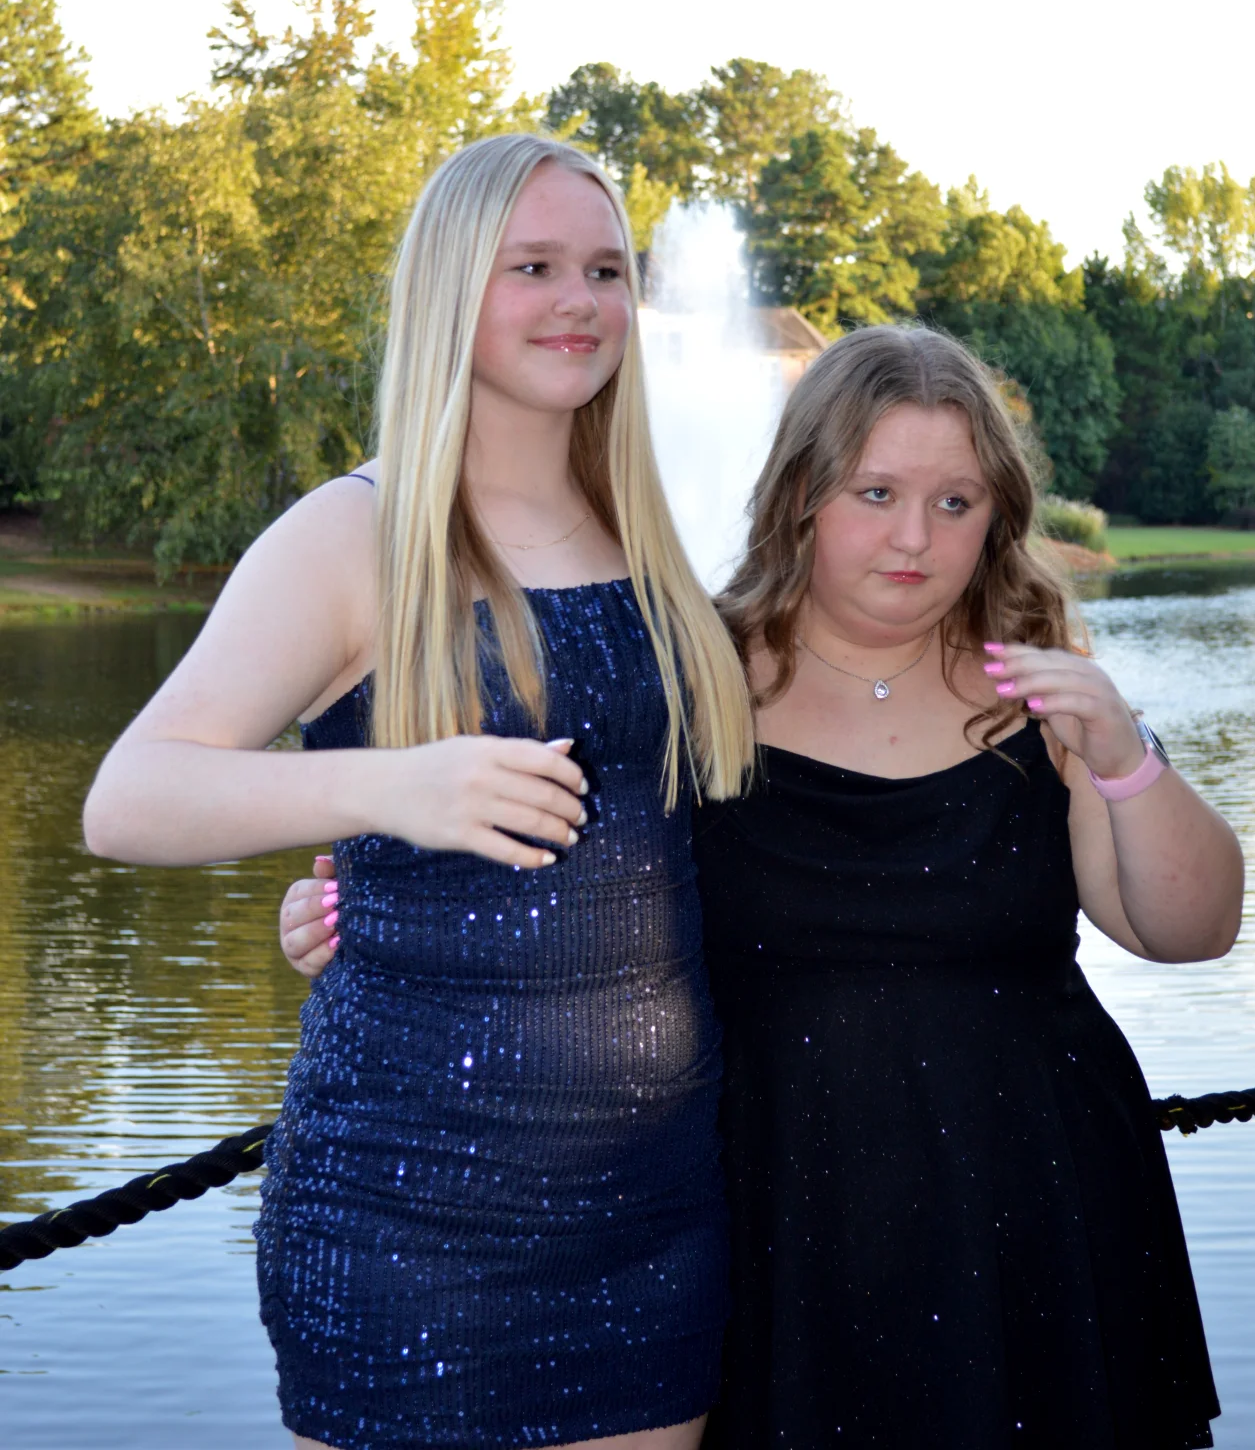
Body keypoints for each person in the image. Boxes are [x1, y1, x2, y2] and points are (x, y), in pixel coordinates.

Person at [284, 322, 1244, 1449]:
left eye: (954, 502)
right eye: (874, 493)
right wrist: (366, 920)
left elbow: (1188, 931)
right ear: (798, 495)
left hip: (1031, 1203)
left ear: (997, 517)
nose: (913, 537)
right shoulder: (686, 678)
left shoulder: (1044, 690)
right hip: (771, 1211)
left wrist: (1125, 757)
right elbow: (543, 901)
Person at [83, 133, 754, 1450]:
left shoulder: (642, 533)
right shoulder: (356, 533)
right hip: (414, 1220)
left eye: (606, 270)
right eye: (533, 268)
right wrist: (394, 791)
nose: (579, 302)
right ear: (453, 285)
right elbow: (129, 799)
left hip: (653, 1211)